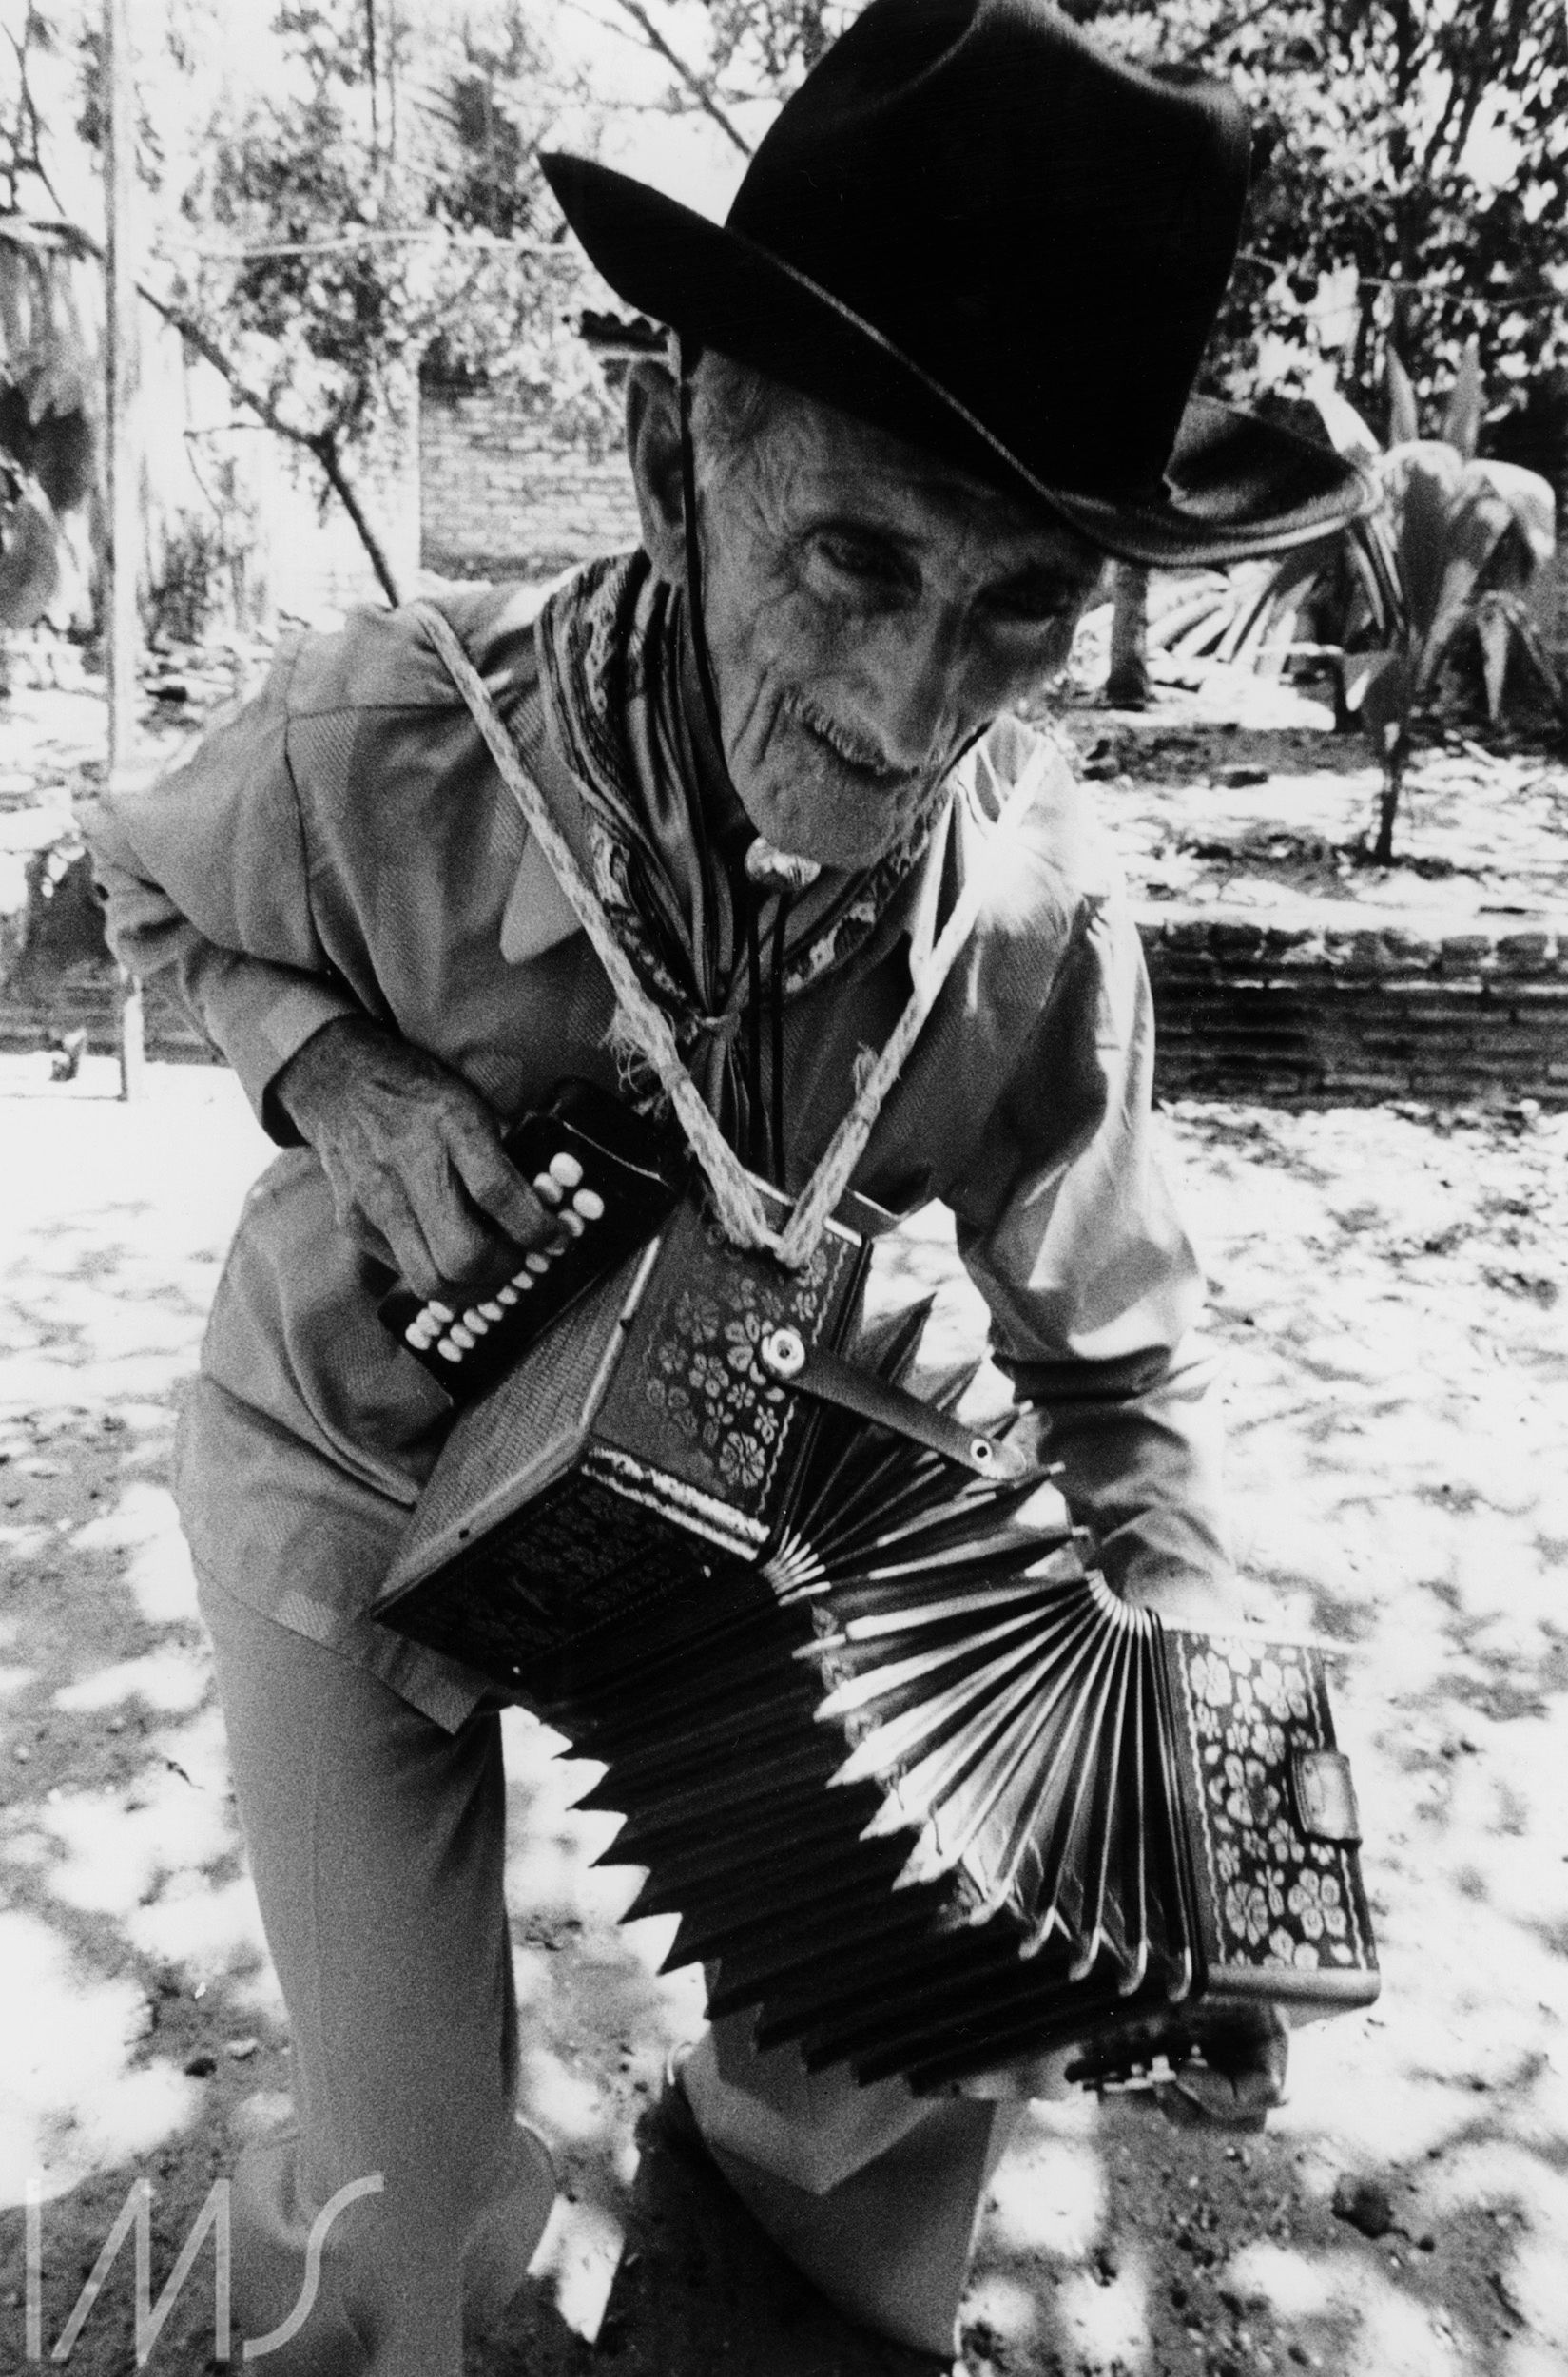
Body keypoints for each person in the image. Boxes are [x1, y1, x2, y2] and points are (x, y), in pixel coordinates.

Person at [88, 1, 1365, 2367]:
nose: (904, 714)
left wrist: (1196, 1832)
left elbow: (1123, 1370)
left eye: (1013, 610)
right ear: (668, 458)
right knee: (414, 2213)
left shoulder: (1036, 920)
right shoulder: (380, 744)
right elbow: (138, 895)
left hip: (754, 1563)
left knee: (877, 2159)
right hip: (348, 1471)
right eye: (854, 560)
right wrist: (343, 1078)